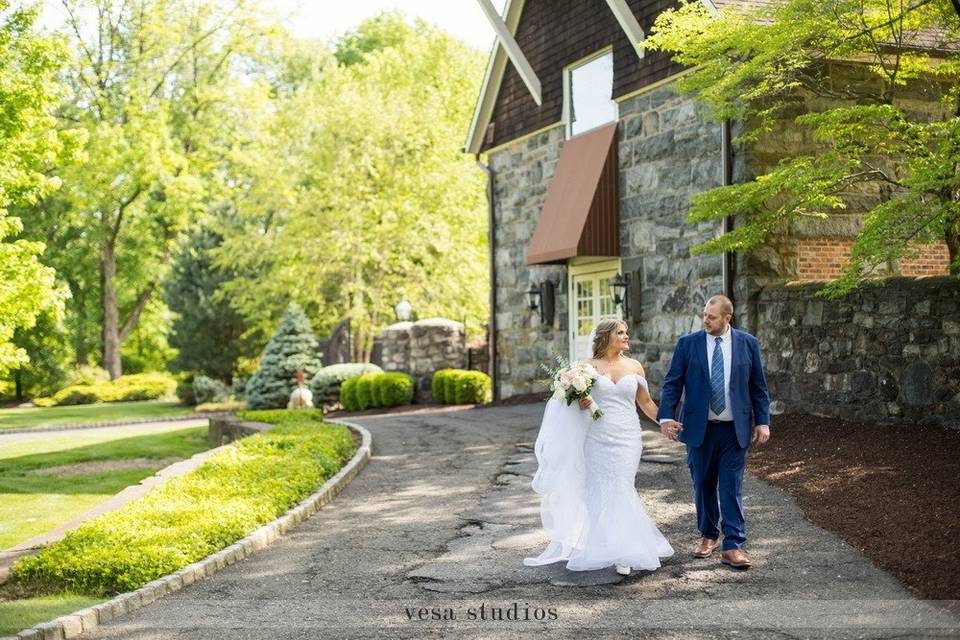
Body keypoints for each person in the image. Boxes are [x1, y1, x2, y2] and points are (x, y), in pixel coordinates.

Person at [524, 319, 674, 575]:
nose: (627, 337)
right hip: (597, 437)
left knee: (622, 485)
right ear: (606, 337)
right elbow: (565, 404)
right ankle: (612, 547)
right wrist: (580, 401)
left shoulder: (635, 366)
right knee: (600, 488)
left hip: (627, 436)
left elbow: (646, 402)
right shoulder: (585, 368)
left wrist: (665, 422)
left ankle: (623, 548)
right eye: (621, 333)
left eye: (626, 332)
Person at [657, 295, 771, 570]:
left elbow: (758, 386)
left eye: (711, 316)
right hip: (699, 429)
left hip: (735, 429)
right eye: (704, 315)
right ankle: (708, 535)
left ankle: (733, 544)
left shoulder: (748, 343)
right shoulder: (688, 344)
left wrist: (763, 421)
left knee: (731, 486)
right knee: (704, 484)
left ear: (727, 318)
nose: (705, 320)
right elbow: (673, 382)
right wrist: (666, 417)